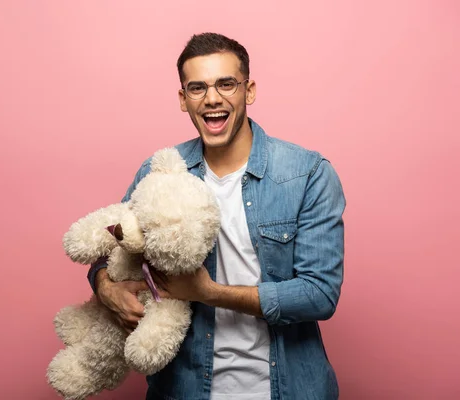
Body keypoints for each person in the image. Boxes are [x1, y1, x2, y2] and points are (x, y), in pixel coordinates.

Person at [86, 32, 346, 400]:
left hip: (288, 389)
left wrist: (209, 293)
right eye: (197, 88)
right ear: (183, 98)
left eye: (226, 84)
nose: (212, 99)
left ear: (249, 90)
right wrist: (105, 287)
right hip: (184, 389)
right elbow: (112, 246)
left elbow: (319, 294)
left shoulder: (307, 174)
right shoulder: (161, 172)